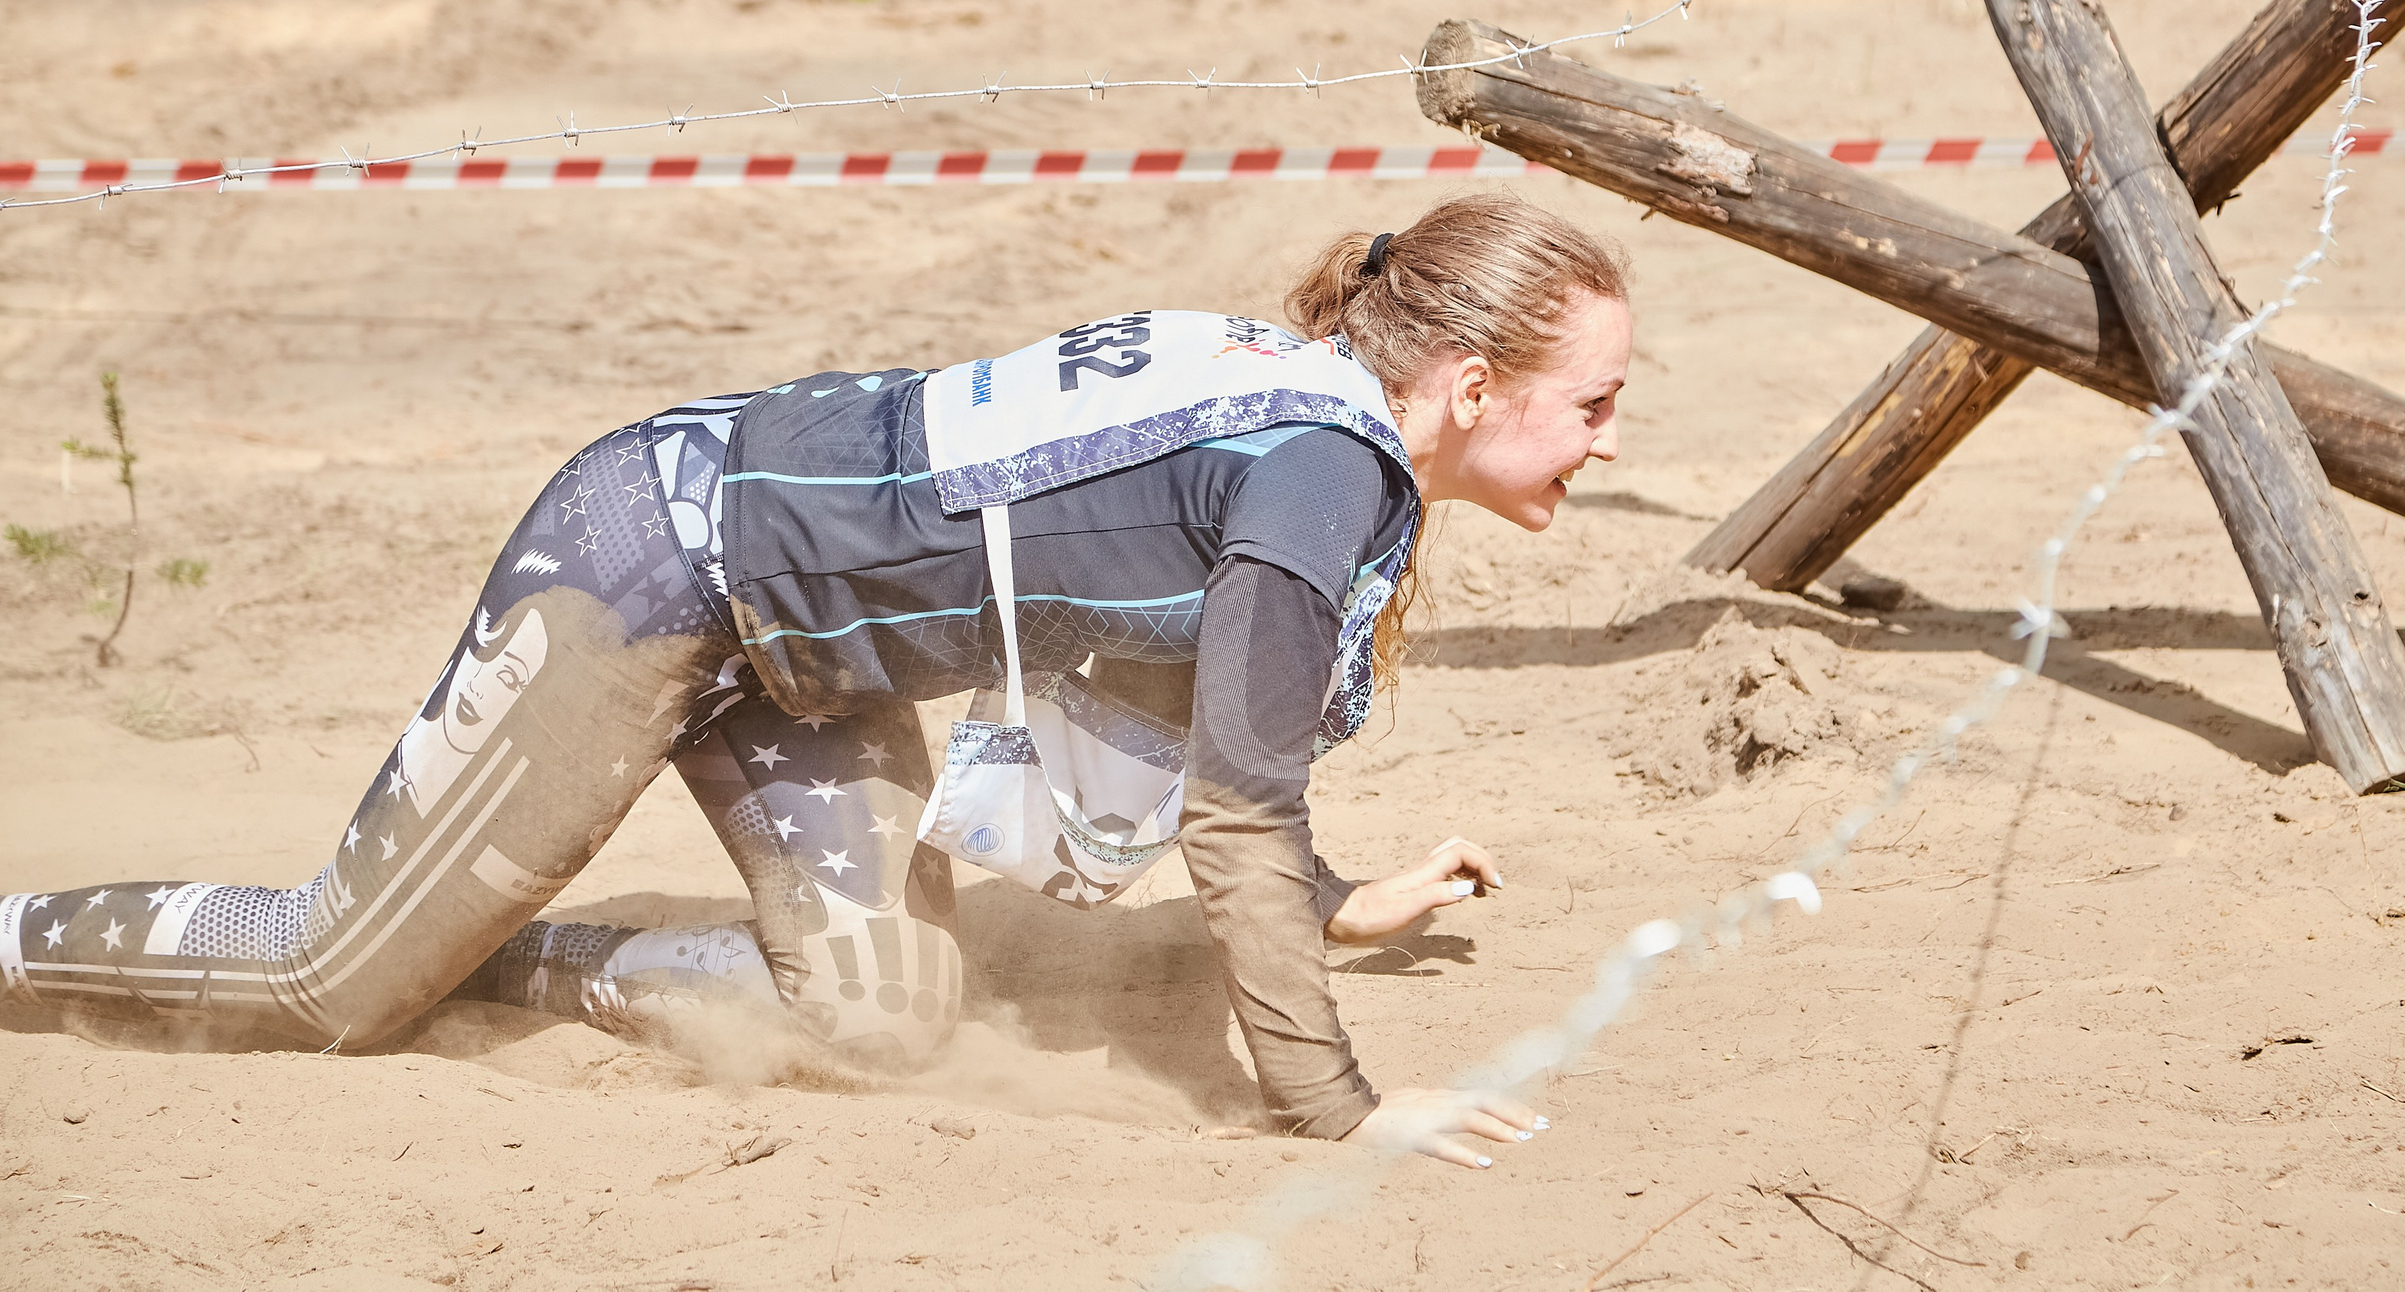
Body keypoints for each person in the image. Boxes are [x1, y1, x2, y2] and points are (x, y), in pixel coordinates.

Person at [0, 191, 1631, 1168]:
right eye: (1595, 402)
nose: (1613, 437)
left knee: (886, 1020)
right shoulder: (1322, 473)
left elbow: (1206, 748)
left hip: (809, 662)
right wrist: (1341, 1110)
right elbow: (1241, 808)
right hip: (657, 552)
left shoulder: (1317, 422)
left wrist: (1331, 901)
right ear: (1473, 386)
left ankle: (485, 957)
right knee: (328, 988)